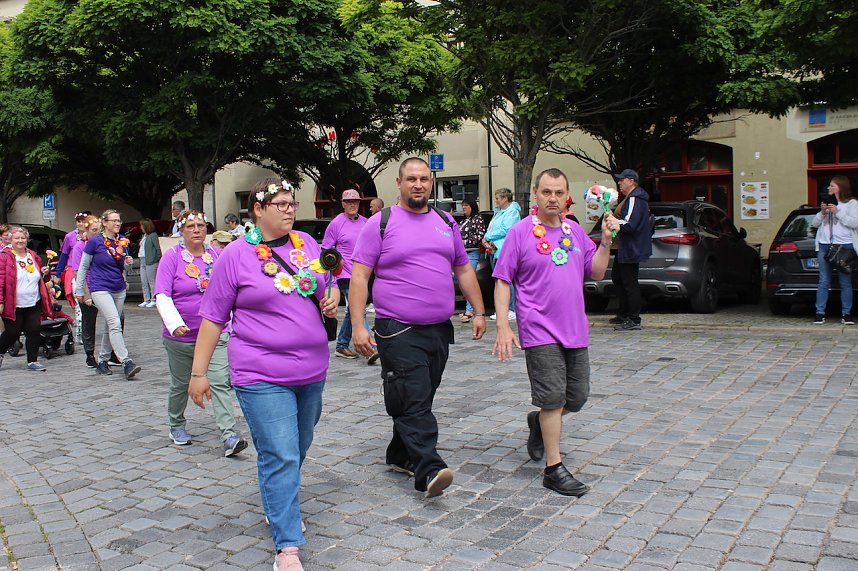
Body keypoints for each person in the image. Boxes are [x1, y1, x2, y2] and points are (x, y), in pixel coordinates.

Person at [190, 178, 339, 571]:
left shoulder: (307, 244)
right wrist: (199, 373)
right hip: (260, 371)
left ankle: (280, 504)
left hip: (311, 369)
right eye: (280, 204)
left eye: (292, 203)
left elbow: (326, 279)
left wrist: (333, 293)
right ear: (258, 209)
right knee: (280, 452)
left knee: (298, 446)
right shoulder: (235, 256)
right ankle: (287, 545)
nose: (290, 210)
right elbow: (212, 318)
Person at [350, 157, 487, 499]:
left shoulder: (445, 221)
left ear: (431, 182)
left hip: (439, 328)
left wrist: (480, 311)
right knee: (413, 398)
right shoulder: (380, 223)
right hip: (397, 328)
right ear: (398, 183)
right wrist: (357, 325)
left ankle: (399, 453)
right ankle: (428, 468)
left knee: (420, 396)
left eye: (424, 179)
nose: (418, 184)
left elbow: (463, 269)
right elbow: (360, 276)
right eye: (411, 178)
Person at [493, 168, 614, 496]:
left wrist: (605, 242)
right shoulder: (519, 233)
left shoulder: (574, 231)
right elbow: (503, 280)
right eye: (547, 192)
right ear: (536, 193)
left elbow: (597, 271)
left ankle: (539, 423)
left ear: (567, 195)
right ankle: (554, 467)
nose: (553, 199)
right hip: (539, 329)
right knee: (552, 398)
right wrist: (503, 325)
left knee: (577, 397)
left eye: (559, 193)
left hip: (575, 329)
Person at [155, 210, 248, 456]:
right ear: (181, 231)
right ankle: (176, 424)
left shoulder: (217, 255)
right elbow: (162, 294)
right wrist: (175, 323)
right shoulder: (171, 258)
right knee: (181, 383)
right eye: (190, 226)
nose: (197, 230)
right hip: (181, 337)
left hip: (216, 334)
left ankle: (229, 435)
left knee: (218, 382)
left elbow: (233, 287)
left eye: (200, 225)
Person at [75, 209, 142, 379]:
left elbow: (123, 266)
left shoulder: (122, 243)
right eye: (113, 221)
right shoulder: (94, 242)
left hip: (118, 287)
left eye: (119, 220)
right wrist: (80, 290)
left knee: (112, 324)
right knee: (114, 322)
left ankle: (103, 360)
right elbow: (83, 266)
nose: (117, 224)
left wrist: (127, 263)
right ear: (104, 223)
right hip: (100, 287)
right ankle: (126, 361)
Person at [322, 188, 377, 363]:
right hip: (344, 275)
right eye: (349, 201)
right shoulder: (336, 224)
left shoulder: (366, 222)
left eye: (356, 201)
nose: (353, 204)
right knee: (357, 307)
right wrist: (333, 267)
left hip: (363, 274)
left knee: (350, 310)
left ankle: (341, 345)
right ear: (343, 203)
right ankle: (370, 347)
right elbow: (326, 250)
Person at [0, 226, 53, 371]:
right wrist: (0, 301)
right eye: (16, 238)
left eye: (23, 238)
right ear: (10, 240)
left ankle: (32, 361)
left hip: (33, 300)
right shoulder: (4, 256)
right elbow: (1, 279)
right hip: (12, 302)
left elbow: (42, 278)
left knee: (34, 330)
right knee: (12, 332)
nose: (20, 240)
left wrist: (45, 272)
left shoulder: (32, 255)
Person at [810, 174, 858, 325]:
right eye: (829, 186)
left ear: (841, 187)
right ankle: (819, 313)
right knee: (823, 281)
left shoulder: (852, 204)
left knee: (845, 282)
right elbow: (815, 224)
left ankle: (846, 314)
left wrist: (838, 212)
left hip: (845, 246)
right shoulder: (827, 204)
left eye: (832, 185)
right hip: (825, 245)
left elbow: (854, 223)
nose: (829, 188)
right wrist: (822, 213)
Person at [610, 168, 651, 331]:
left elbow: (629, 224)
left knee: (629, 282)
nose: (619, 182)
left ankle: (633, 318)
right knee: (618, 278)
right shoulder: (631, 197)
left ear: (631, 181)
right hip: (625, 246)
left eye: (622, 179)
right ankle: (624, 314)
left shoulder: (635, 198)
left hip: (630, 246)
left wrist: (614, 221)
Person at [483, 187, 521, 321]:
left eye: (498, 198)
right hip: (495, 249)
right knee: (499, 281)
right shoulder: (500, 212)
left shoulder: (512, 212)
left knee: (505, 280)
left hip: (504, 250)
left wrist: (487, 236)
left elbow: (506, 229)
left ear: (505, 198)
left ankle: (511, 309)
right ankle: (502, 309)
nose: (496, 200)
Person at [71, 215, 101, 368]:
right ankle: (89, 354)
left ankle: (113, 352)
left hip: (103, 286)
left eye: (99, 230)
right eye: (94, 230)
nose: (97, 233)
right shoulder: (80, 246)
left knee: (117, 318)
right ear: (87, 230)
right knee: (89, 321)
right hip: (88, 286)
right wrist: (85, 293)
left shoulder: (103, 243)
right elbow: (78, 272)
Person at [458, 196, 486, 322]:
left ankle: (470, 310)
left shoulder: (477, 219)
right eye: (463, 205)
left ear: (472, 207)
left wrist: (464, 242)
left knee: (469, 281)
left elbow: (480, 235)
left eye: (466, 205)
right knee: (461, 281)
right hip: (461, 253)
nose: (464, 208)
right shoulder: (464, 220)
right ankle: (468, 308)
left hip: (471, 252)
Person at [137, 218, 162, 308]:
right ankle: (146, 299)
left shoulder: (153, 236)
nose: (141, 228)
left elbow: (158, 249)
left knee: (152, 281)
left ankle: (154, 299)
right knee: (144, 281)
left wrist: (155, 259)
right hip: (142, 259)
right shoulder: (145, 236)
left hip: (150, 261)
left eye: (142, 226)